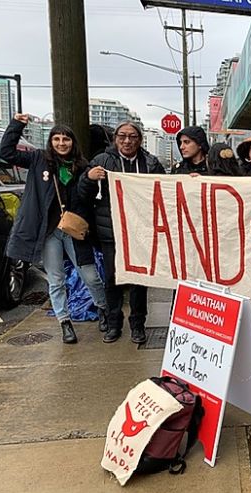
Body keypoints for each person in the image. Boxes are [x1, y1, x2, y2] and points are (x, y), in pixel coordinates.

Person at [0, 113, 107, 344]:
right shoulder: (38, 159)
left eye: (65, 139)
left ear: (72, 142)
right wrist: (17, 125)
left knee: (91, 276)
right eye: (56, 139)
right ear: (51, 142)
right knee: (56, 280)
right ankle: (64, 322)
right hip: (48, 232)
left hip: (74, 230)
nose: (61, 143)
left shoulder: (83, 166)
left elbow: (89, 197)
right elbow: (6, 153)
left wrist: (90, 178)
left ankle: (103, 311)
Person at [79, 121, 166, 345]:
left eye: (133, 137)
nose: (127, 141)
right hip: (112, 234)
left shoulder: (150, 163)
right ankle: (113, 324)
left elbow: (166, 191)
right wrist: (89, 179)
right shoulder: (101, 161)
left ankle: (138, 325)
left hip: (140, 232)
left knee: (139, 281)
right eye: (122, 136)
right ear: (115, 138)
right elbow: (82, 194)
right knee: (112, 279)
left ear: (140, 139)